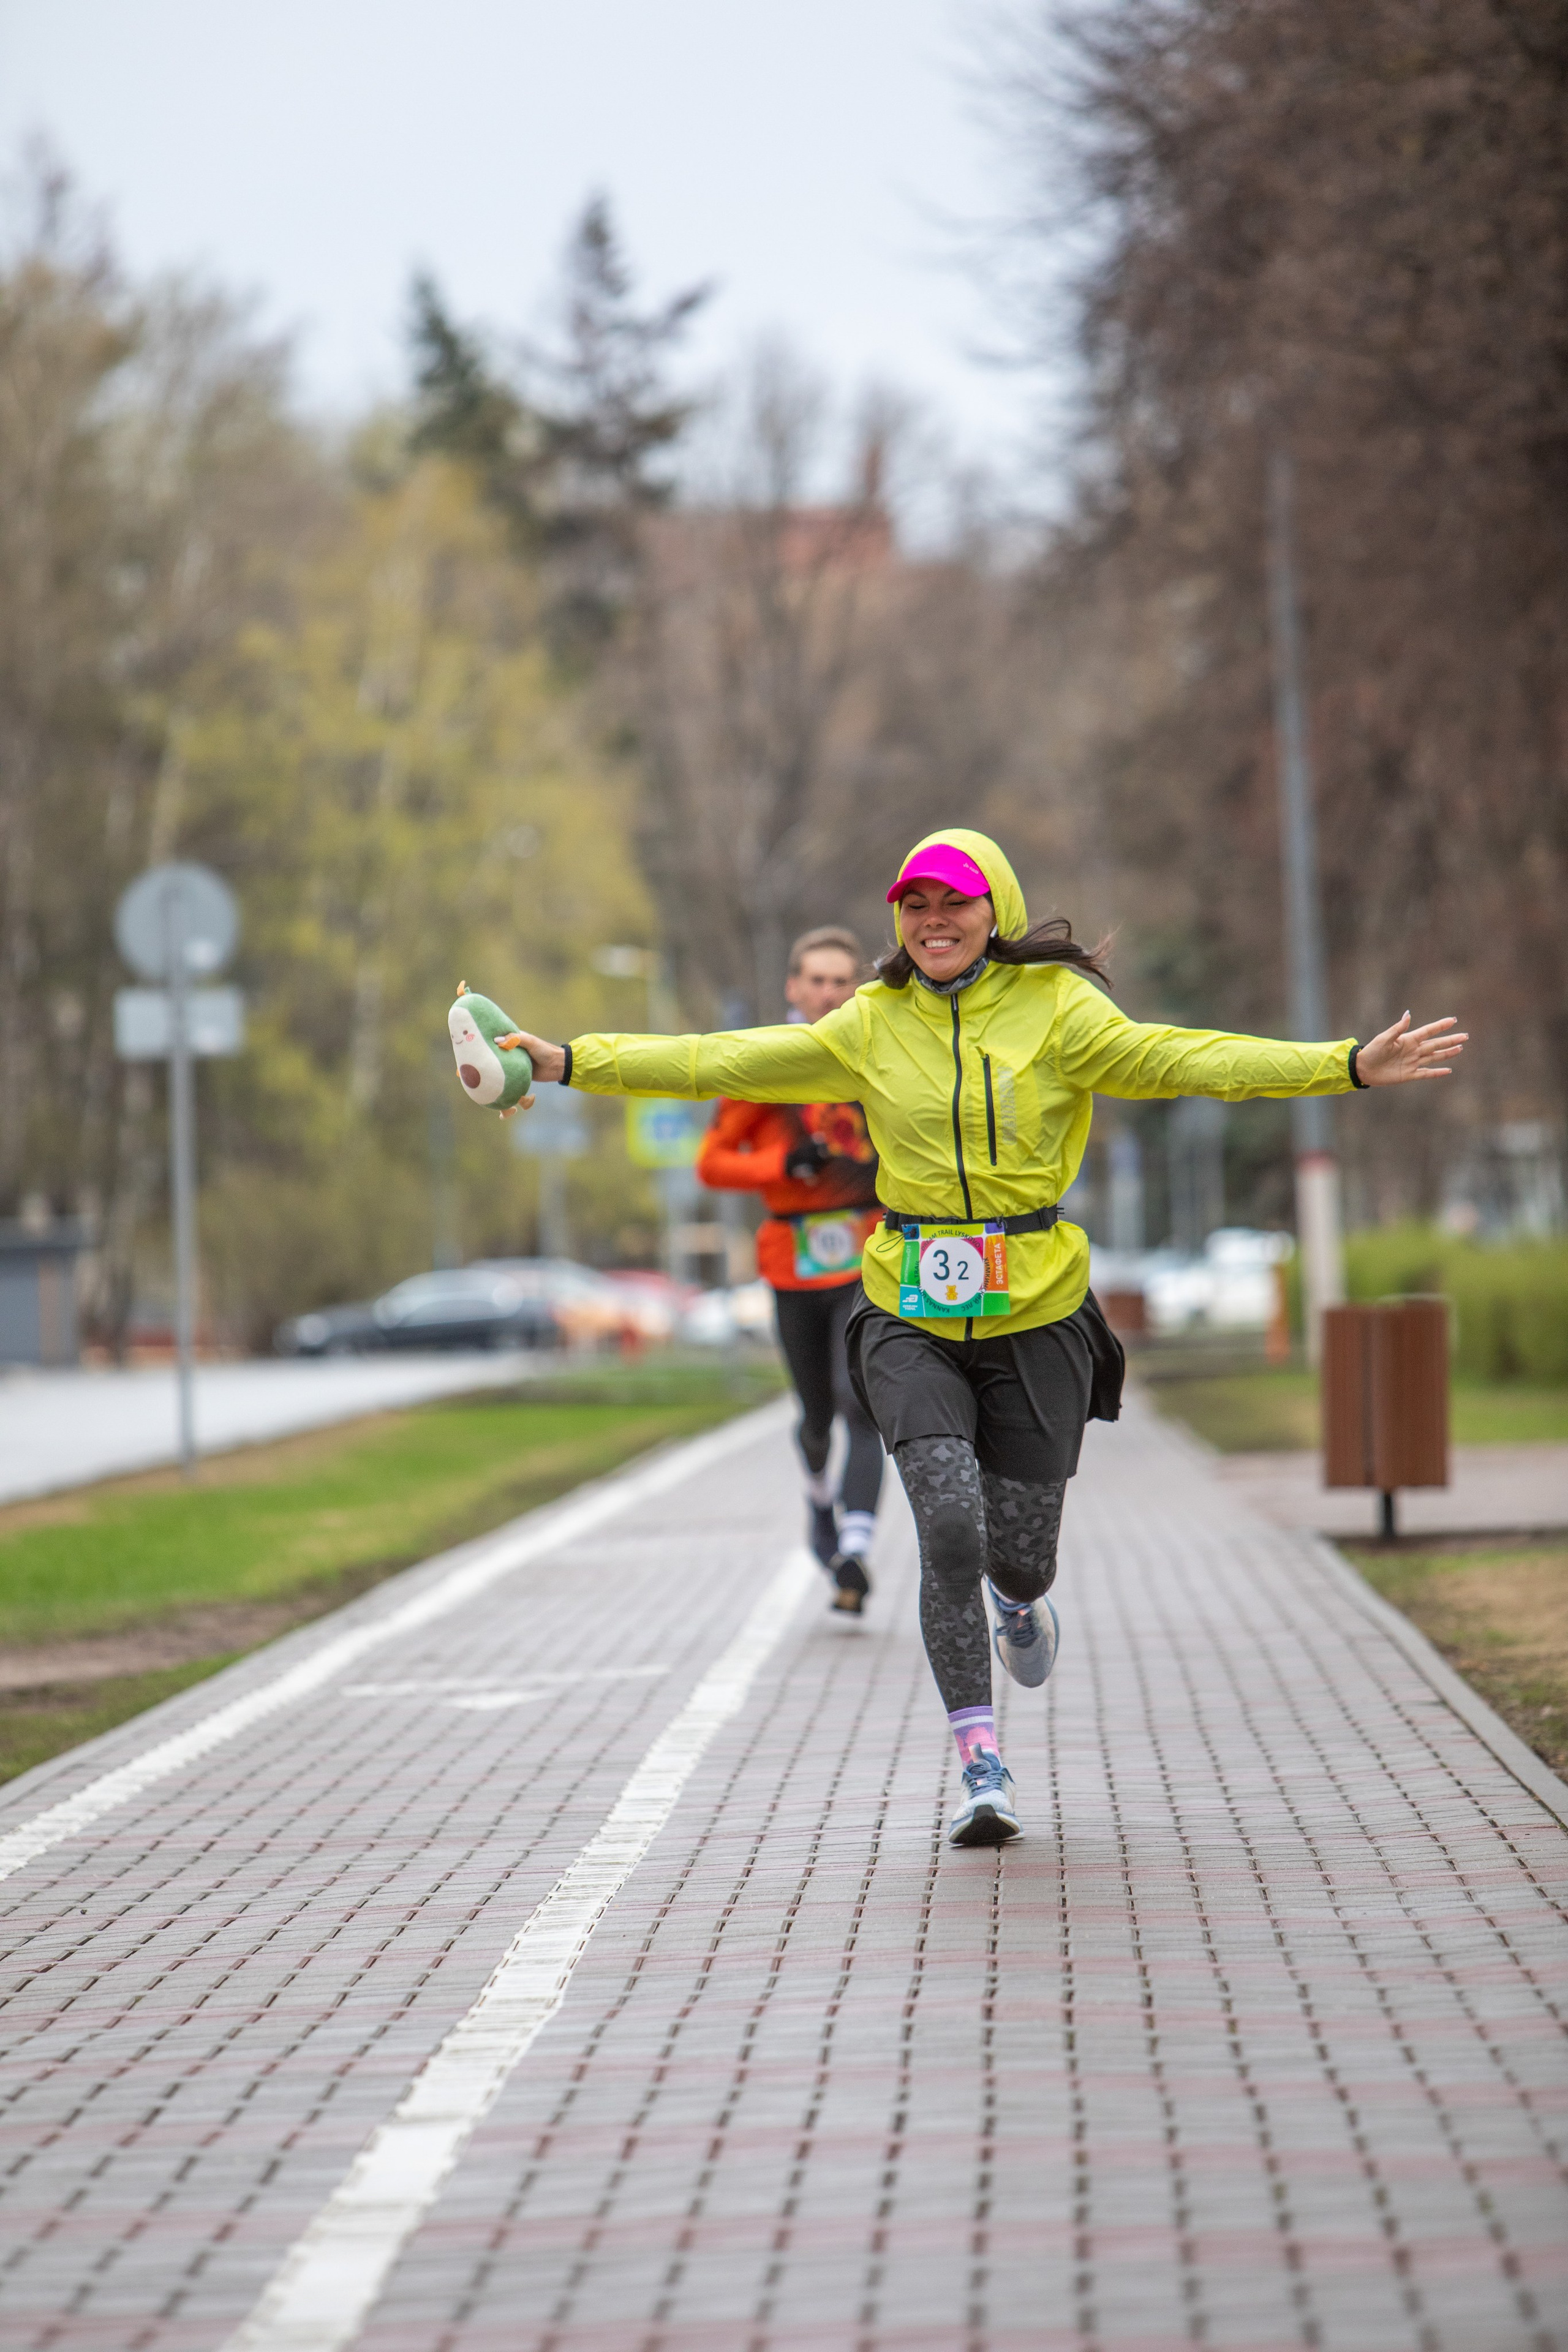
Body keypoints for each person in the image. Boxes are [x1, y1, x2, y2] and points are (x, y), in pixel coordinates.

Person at [507, 829, 1465, 1847]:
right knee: (948, 1527)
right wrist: (569, 1061)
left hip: (1038, 1310)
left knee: (1021, 1554)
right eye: (914, 905)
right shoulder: (869, 1024)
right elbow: (714, 1061)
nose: (932, 921)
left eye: (952, 903)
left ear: (994, 909)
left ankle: (1020, 1601)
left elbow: (1194, 1059)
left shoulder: (1061, 1013)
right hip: (908, 1307)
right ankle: (979, 1762)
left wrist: (1347, 1067)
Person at [696, 926, 884, 1615]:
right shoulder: (767, 1065)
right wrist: (782, 1165)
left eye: (842, 981)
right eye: (818, 981)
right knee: (815, 1417)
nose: (830, 993)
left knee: (859, 1399)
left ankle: (856, 1551)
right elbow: (712, 1162)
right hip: (792, 1262)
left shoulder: (876, 1053)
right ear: (793, 989)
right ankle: (820, 1511)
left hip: (870, 1255)